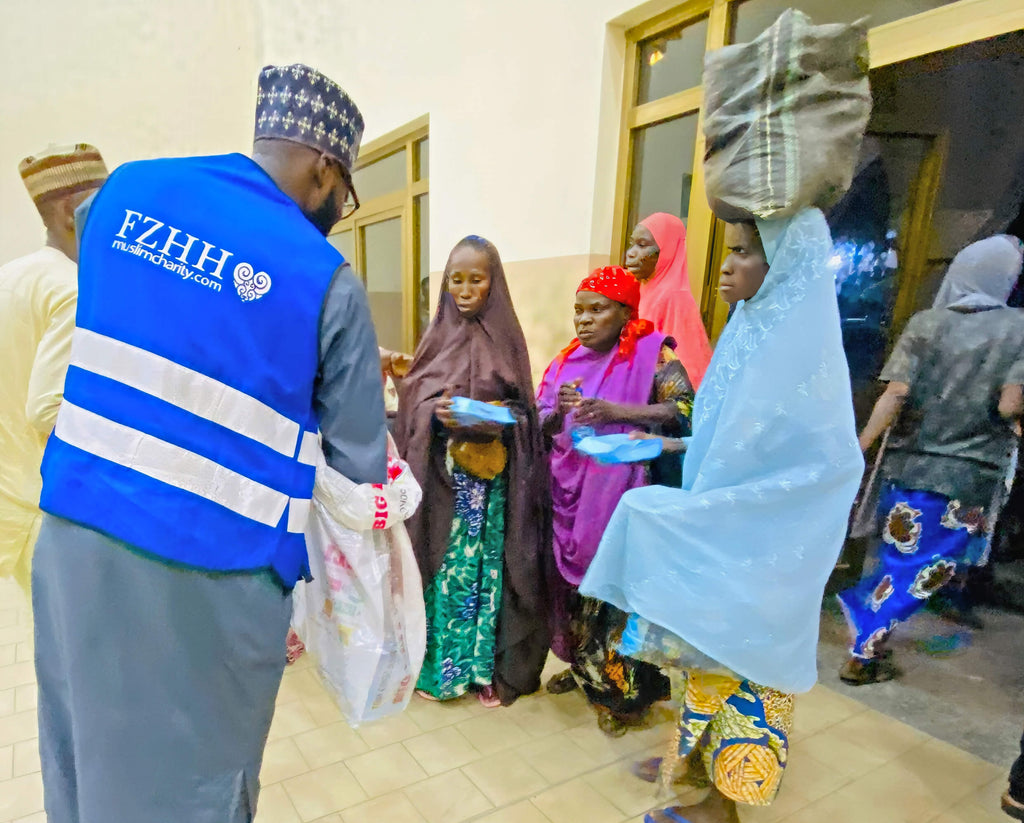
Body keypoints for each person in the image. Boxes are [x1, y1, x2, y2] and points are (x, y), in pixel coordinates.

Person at [32, 64, 387, 823]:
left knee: (83, 750)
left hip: (74, 539)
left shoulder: (121, 194)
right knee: (195, 782)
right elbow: (360, 470)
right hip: (212, 579)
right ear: (326, 169)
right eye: (345, 195)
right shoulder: (327, 279)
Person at [582, 210, 864, 823]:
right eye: (728, 251)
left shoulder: (800, 351)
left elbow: (826, 465)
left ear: (787, 268)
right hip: (729, 536)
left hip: (764, 551)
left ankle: (725, 807)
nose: (728, 267)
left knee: (749, 682)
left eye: (744, 254)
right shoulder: (750, 328)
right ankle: (696, 769)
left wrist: (715, 509)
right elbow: (727, 438)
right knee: (707, 664)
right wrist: (675, 448)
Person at [837, 235, 1024, 685]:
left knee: (901, 561)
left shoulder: (925, 323)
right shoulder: (1018, 327)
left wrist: (857, 449)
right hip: (966, 473)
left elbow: (895, 393)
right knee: (928, 569)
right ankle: (863, 644)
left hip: (906, 469)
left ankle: (866, 627)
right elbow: (1009, 406)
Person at [537, 265, 694, 735]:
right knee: (575, 593)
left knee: (616, 595)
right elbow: (542, 420)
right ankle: (586, 671)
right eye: (578, 311)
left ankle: (623, 696)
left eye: (597, 310)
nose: (584, 321)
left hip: (624, 496)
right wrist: (557, 411)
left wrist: (618, 412)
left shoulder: (653, 354)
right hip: (570, 493)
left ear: (626, 313)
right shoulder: (566, 361)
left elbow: (684, 409)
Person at [395, 235, 549, 707]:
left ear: (493, 283)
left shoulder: (507, 341)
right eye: (454, 280)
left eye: (475, 280)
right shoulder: (434, 339)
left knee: (486, 575)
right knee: (443, 574)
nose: (464, 290)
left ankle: (483, 667)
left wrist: (498, 420)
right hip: (442, 489)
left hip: (490, 493)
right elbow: (411, 402)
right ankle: (440, 670)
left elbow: (527, 414)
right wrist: (432, 412)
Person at [0, 144, 108, 607]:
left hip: (13, 492)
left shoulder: (13, 275)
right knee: (80, 658)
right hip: (44, 508)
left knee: (56, 650)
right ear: (71, 211)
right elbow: (46, 407)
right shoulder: (71, 287)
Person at [624, 212, 712, 388]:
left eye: (642, 245)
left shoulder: (675, 297)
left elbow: (688, 369)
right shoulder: (640, 289)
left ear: (666, 251)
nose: (631, 253)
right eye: (632, 244)